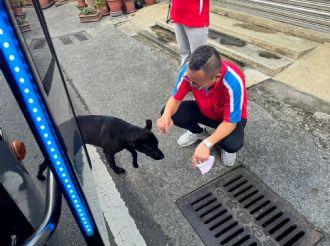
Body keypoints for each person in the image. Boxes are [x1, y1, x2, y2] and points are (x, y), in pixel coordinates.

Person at [157, 45, 248, 168]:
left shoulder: (233, 82)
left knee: (232, 144)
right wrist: (167, 115)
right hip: (205, 109)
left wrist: (207, 145)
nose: (190, 83)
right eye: (189, 80)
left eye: (196, 84)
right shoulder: (190, 74)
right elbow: (175, 98)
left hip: (230, 118)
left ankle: (224, 147)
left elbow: (229, 122)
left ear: (216, 78)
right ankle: (199, 133)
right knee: (169, 112)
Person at [171, 0, 210, 66]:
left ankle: (196, 76)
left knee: (199, 59)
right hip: (177, 11)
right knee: (184, 54)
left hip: (195, 15)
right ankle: (184, 76)